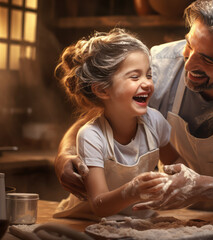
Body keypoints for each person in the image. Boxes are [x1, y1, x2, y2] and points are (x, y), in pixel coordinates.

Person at [55, 0, 213, 214]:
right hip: (179, 216)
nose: (189, 65)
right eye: (189, 46)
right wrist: (65, 155)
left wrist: (207, 187)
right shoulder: (157, 64)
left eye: (207, 59)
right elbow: (97, 119)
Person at [52, 28, 180, 220]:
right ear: (103, 90)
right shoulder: (91, 135)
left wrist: (173, 181)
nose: (147, 84)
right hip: (86, 221)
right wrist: (132, 191)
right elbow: (99, 206)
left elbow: (175, 163)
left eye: (149, 75)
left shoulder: (155, 122)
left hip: (137, 217)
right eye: (135, 77)